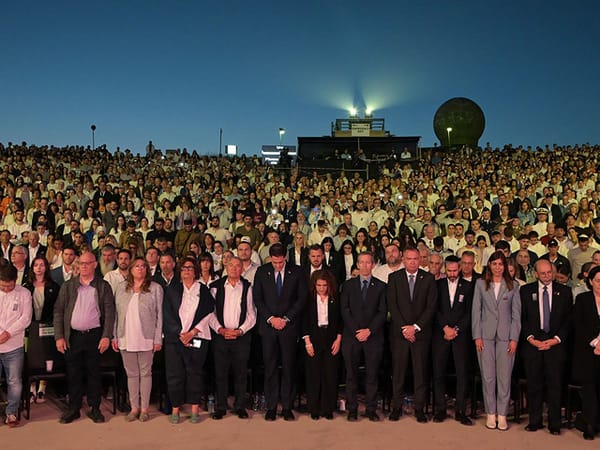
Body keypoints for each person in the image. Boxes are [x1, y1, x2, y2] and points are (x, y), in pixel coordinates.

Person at [53, 250, 115, 424]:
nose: (84, 267)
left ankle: (95, 408)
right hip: (72, 336)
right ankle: (74, 408)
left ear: (95, 264)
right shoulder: (68, 286)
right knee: (73, 373)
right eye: (81, 263)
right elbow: (58, 311)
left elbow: (110, 313)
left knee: (93, 373)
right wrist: (59, 336)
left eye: (88, 263)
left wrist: (106, 336)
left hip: (94, 335)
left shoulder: (103, 286)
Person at [253, 242, 306, 421]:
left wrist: (285, 319)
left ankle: (287, 407)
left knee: (289, 368)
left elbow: (301, 299)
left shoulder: (297, 271)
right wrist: (271, 319)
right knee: (270, 368)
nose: (277, 266)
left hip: (289, 328)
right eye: (274, 262)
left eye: (280, 262)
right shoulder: (262, 272)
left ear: (285, 257)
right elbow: (258, 299)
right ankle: (271, 406)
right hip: (269, 328)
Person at [520, 259, 572, 435]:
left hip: (555, 345)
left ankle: (554, 423)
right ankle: (535, 421)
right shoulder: (525, 291)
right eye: (543, 273)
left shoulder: (565, 291)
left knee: (555, 385)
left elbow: (568, 321)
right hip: (533, 345)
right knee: (534, 384)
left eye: (549, 272)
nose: (547, 276)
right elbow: (522, 319)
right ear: (536, 274)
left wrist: (556, 339)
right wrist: (531, 339)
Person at [471, 251, 521, 431]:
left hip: (506, 338)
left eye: (501, 264)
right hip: (485, 336)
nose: (498, 268)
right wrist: (477, 336)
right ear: (489, 266)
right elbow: (476, 312)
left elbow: (516, 315)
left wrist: (514, 338)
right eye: (494, 264)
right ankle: (491, 414)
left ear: (505, 266)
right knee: (488, 377)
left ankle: (502, 414)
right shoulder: (480, 284)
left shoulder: (513, 285)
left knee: (504, 378)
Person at [387, 247, 437, 423]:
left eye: (416, 259)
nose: (413, 262)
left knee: (420, 373)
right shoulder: (394, 278)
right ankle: (396, 407)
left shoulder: (429, 279)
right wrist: (404, 328)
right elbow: (392, 305)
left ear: (420, 260)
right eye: (409, 259)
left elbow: (431, 307)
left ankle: (419, 409)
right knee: (398, 373)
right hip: (400, 335)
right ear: (403, 259)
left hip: (420, 335)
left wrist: (415, 328)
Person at [162, 257, 214, 424]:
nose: (187, 271)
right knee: (174, 374)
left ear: (196, 270)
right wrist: (180, 334)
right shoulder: (172, 289)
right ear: (180, 270)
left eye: (190, 268)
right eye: (184, 268)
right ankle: (175, 409)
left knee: (195, 373)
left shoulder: (203, 290)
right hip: (175, 339)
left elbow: (209, 312)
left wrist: (192, 333)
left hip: (198, 338)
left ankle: (194, 409)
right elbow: (167, 314)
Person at [112, 257, 163, 422]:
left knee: (145, 373)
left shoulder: (155, 288)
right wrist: (115, 336)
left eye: (143, 266)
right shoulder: (121, 288)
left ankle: (145, 408)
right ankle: (134, 408)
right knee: (131, 374)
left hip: (146, 338)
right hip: (126, 337)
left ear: (147, 270)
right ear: (131, 269)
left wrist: (158, 339)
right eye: (137, 266)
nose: (140, 269)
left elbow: (159, 316)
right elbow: (116, 315)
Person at [207, 257, 256, 420]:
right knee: (220, 373)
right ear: (225, 267)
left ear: (242, 269)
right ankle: (220, 407)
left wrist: (240, 331)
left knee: (240, 373)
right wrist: (220, 329)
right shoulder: (215, 287)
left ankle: (240, 406)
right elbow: (210, 313)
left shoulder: (247, 287)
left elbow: (251, 314)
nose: (234, 269)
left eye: (237, 266)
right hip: (221, 337)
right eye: (231, 266)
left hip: (240, 337)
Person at [341, 251, 387, 422]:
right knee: (351, 375)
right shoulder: (348, 285)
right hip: (352, 337)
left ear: (373, 265)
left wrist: (369, 331)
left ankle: (371, 409)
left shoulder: (381, 286)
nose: (365, 266)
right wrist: (356, 331)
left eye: (368, 262)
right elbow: (344, 310)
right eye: (362, 262)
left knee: (372, 375)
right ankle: (352, 409)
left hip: (373, 337)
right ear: (357, 265)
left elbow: (382, 312)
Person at [431, 255, 473, 425]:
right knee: (438, 372)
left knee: (462, 373)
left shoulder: (469, 286)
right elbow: (434, 309)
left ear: (460, 269)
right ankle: (441, 409)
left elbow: (470, 313)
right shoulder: (437, 285)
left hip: (460, 336)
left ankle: (461, 410)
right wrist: (445, 328)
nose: (453, 273)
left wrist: (456, 329)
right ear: (444, 269)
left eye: (455, 270)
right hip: (441, 335)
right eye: (449, 270)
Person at [302, 270, 342, 420]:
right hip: (314, 337)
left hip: (331, 337)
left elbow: (340, 320)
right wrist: (307, 342)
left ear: (329, 285)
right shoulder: (309, 299)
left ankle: (328, 408)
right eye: (318, 285)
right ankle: (314, 408)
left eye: (324, 285)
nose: (321, 288)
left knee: (330, 374)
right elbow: (304, 321)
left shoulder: (336, 298)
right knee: (314, 373)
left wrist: (338, 340)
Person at [23, 255, 60, 403]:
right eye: (36, 265)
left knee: (45, 355)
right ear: (32, 268)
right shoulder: (26, 287)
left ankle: (42, 388)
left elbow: (57, 308)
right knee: (31, 355)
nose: (39, 268)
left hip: (47, 327)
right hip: (29, 328)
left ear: (46, 268)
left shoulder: (54, 286)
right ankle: (31, 387)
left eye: (42, 265)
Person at [0, 263, 33, 427]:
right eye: (3, 286)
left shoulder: (24, 294)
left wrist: (7, 333)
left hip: (14, 345)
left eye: (9, 286)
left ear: (16, 280)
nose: (6, 289)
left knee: (14, 381)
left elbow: (26, 318)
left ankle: (11, 412)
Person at [573, 265, 600, 440]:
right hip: (588, 352)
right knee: (590, 388)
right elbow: (578, 325)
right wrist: (595, 342)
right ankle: (590, 424)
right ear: (590, 281)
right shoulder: (582, 299)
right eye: (598, 281)